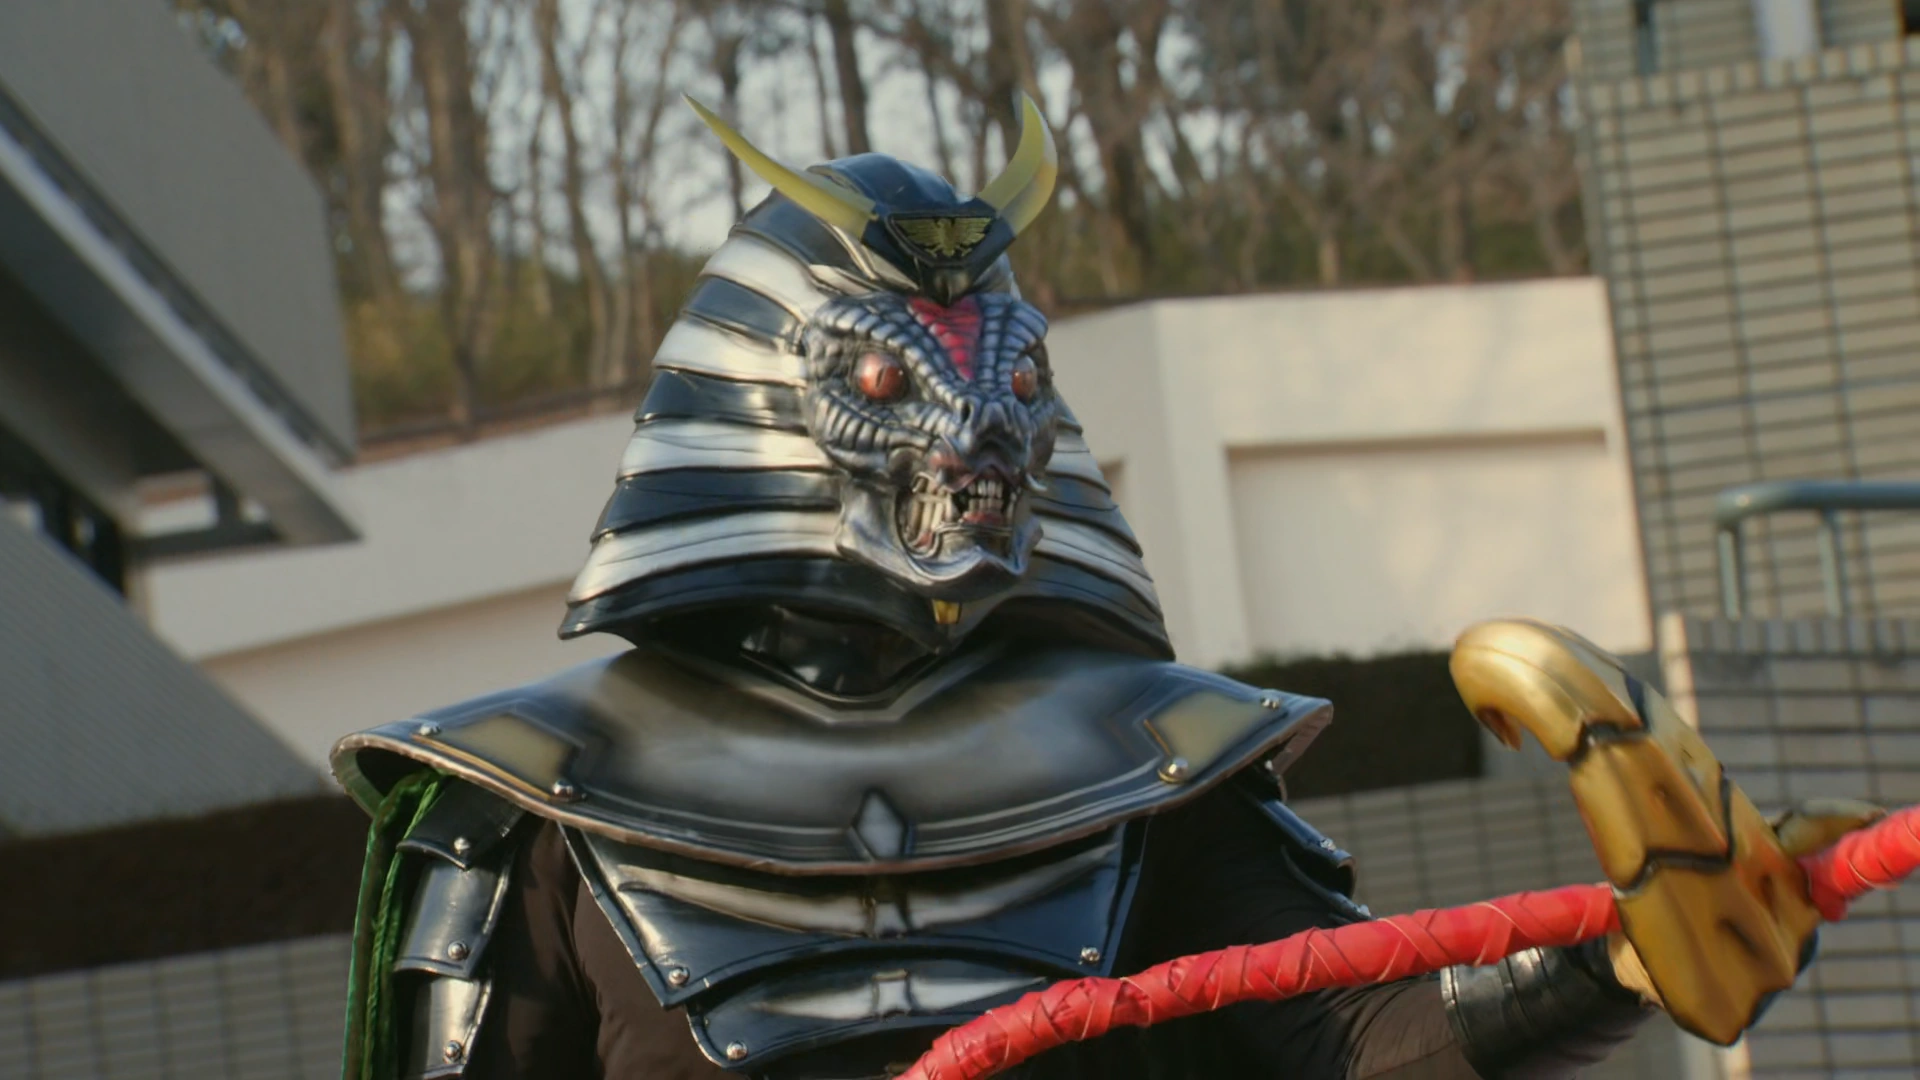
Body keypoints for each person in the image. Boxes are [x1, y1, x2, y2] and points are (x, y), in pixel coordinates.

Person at [330, 96, 1799, 1080]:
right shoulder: (532, 799)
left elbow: (1342, 1040)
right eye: (890, 382)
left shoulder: (1145, 756)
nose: (977, 431)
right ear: (758, 401)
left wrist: (1622, 964)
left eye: (1011, 380)